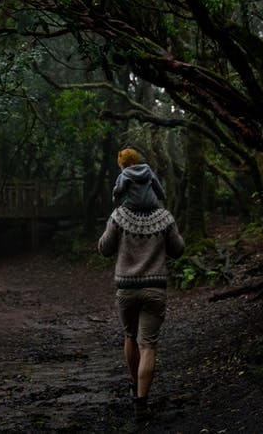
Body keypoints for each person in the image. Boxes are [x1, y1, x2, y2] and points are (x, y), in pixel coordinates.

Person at [98, 148, 185, 421]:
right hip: (155, 289)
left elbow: (104, 249)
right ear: (151, 185)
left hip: (126, 289)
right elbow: (178, 250)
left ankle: (134, 386)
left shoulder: (119, 216)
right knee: (148, 345)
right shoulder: (164, 217)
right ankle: (141, 404)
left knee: (129, 337)